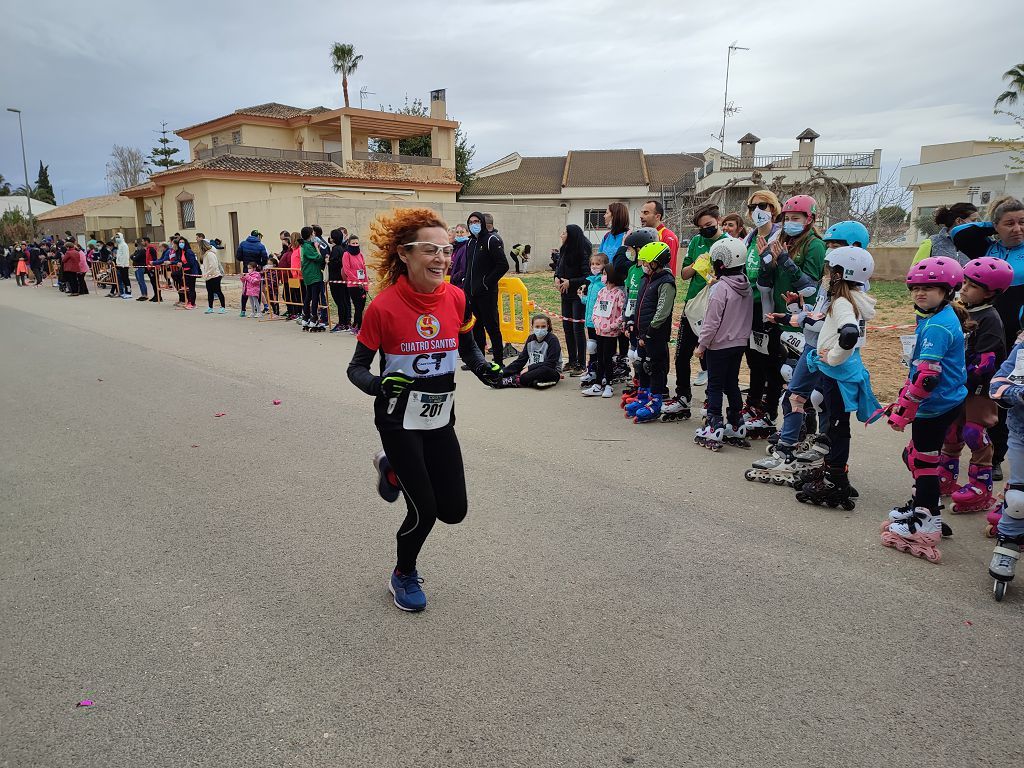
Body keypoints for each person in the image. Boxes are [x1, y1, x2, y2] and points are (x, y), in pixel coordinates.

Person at [346, 207, 501, 613]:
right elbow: (356, 368)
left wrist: (484, 368)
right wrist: (378, 385)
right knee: (426, 510)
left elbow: (466, 343)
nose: (442, 259)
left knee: (454, 511)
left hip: (439, 416)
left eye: (447, 250)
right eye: (431, 250)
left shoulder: (456, 296)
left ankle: (392, 469)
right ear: (404, 253)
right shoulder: (382, 307)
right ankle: (403, 573)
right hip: (397, 420)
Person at [748, 220, 872, 485]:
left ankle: (788, 452)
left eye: (835, 247)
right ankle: (817, 446)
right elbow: (819, 313)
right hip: (816, 347)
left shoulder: (845, 291)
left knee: (797, 396)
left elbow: (831, 323)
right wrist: (796, 312)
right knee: (813, 398)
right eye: (828, 247)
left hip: (820, 350)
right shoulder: (836, 285)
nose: (828, 255)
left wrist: (801, 319)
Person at [881, 257, 969, 563]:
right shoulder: (939, 316)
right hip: (947, 399)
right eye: (916, 288)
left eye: (930, 287)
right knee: (919, 455)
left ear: (947, 290)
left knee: (923, 460)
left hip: (935, 404)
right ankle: (924, 504)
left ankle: (925, 522)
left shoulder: (937, 326)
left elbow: (928, 377)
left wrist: (905, 409)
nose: (921, 293)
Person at [791, 247, 879, 510]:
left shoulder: (842, 302)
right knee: (835, 424)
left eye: (831, 271)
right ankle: (834, 471)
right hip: (838, 375)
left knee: (837, 429)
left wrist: (834, 357)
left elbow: (849, 334)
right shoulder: (851, 297)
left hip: (839, 375)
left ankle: (835, 479)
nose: (827, 276)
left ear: (842, 274)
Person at [936, 257, 1011, 514]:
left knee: (973, 432)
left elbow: (986, 361)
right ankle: (946, 476)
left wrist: (962, 375)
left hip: (979, 387)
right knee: (951, 430)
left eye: (972, 285)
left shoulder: (990, 318)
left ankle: (981, 486)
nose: (964, 288)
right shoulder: (961, 310)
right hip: (958, 384)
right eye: (964, 282)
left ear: (990, 292)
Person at [665, 204, 730, 421]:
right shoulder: (696, 242)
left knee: (710, 357)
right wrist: (697, 264)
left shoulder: (728, 243)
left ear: (718, 220)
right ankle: (683, 396)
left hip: (716, 306)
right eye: (701, 228)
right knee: (682, 353)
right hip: (692, 304)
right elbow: (683, 274)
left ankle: (712, 400)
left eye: (709, 225)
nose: (705, 230)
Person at [693, 238, 753, 449]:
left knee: (716, 385)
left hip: (718, 344)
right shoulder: (745, 285)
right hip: (738, 343)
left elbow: (711, 321)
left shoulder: (720, 289)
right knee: (731, 383)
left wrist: (702, 345)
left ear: (721, 263)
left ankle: (714, 424)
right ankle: (736, 423)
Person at [985, 196, 1024, 481]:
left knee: (1011, 393)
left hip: (1018, 335)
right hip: (989, 331)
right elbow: (962, 232)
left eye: (1023, 222)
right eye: (1009, 223)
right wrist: (990, 223)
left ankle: (998, 456)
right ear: (996, 226)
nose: (1017, 228)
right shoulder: (986, 247)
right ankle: (988, 451)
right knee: (991, 391)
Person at [741, 190, 783, 435]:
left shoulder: (781, 236)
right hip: (751, 307)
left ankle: (768, 412)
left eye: (764, 205)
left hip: (771, 309)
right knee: (754, 358)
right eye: (754, 206)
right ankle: (753, 405)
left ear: (773, 209)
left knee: (771, 362)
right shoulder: (749, 238)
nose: (758, 210)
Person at [987, 337, 1024, 597]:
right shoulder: (1022, 347)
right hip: (1022, 432)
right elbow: (998, 383)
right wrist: (1017, 392)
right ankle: (1007, 547)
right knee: (1018, 498)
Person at [627, 242, 676, 423]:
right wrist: (632, 321)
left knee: (654, 367)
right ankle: (643, 396)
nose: (644, 266)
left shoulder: (666, 282)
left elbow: (662, 311)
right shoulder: (645, 279)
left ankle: (655, 402)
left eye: (648, 263)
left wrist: (650, 332)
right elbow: (638, 303)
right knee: (641, 365)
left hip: (655, 334)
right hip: (642, 333)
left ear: (658, 262)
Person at [464, 212, 509, 365]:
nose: (473, 224)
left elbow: (503, 265)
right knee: (476, 328)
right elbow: (469, 267)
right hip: (471, 294)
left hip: (487, 293)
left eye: (476, 221)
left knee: (492, 328)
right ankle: (480, 360)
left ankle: (498, 361)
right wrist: (466, 285)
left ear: (482, 223)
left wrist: (486, 283)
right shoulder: (470, 243)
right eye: (470, 222)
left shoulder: (491, 240)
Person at [582, 262, 626, 398]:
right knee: (599, 358)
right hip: (599, 330)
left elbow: (622, 314)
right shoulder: (602, 291)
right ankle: (597, 384)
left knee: (608, 358)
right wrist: (596, 321)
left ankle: (609, 384)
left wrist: (613, 325)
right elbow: (595, 308)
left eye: (605, 274)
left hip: (611, 333)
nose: (603, 276)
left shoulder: (619, 293)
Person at [554, 223, 591, 375]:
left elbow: (587, 276)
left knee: (577, 328)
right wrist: (556, 277)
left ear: (572, 235)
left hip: (577, 294)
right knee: (567, 327)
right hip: (565, 294)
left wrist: (571, 282)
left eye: (565, 233)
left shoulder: (582, 251)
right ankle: (572, 360)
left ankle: (581, 364)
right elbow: (558, 267)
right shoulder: (564, 249)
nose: (562, 235)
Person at [494, 314, 562, 389]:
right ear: (532, 327)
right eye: (537, 327)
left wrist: (529, 368)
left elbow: (551, 364)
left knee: (533, 373)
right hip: (533, 369)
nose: (540, 329)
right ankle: (534, 382)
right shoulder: (530, 339)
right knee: (516, 371)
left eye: (543, 327)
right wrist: (502, 372)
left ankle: (514, 380)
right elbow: (521, 360)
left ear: (548, 327)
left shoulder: (553, 340)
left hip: (550, 370)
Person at [911, 203, 979, 265]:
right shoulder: (931, 243)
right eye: (973, 220)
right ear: (959, 221)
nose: (978, 224)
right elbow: (915, 272)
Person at [579, 251, 609, 386]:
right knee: (591, 347)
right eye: (592, 264)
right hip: (590, 322)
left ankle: (602, 372)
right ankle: (592, 370)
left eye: (598, 264)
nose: (594, 266)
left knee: (599, 347)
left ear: (605, 266)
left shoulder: (603, 284)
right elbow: (592, 302)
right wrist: (582, 298)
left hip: (599, 323)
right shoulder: (591, 283)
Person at [639, 199, 680, 277]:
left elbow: (668, 266)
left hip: (661, 283)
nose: (641, 216)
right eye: (641, 213)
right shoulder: (643, 235)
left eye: (646, 213)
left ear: (657, 216)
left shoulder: (668, 237)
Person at [299, 226, 326, 331]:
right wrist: (317, 248)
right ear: (310, 235)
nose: (314, 236)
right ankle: (313, 319)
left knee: (309, 296)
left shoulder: (304, 245)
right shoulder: (308, 247)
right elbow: (319, 258)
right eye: (313, 234)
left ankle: (306, 318)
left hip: (309, 275)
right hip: (313, 275)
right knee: (314, 297)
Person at [342, 234, 368, 335]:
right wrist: (357, 282)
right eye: (353, 243)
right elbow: (347, 270)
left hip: (362, 284)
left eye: (357, 243)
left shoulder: (360, 254)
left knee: (361, 307)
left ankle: (356, 325)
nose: (355, 245)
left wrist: (365, 285)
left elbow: (364, 270)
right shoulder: (346, 255)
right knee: (358, 306)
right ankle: (358, 327)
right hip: (353, 286)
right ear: (349, 244)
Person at [328, 228, 351, 332]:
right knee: (344, 301)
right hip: (342, 279)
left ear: (333, 238)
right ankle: (346, 322)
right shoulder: (342, 248)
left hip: (336, 279)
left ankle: (342, 322)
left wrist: (328, 261)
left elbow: (334, 264)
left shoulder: (336, 249)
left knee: (340, 301)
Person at [173, 237, 200, 308]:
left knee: (191, 288)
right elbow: (181, 260)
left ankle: (193, 303)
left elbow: (191, 263)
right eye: (180, 243)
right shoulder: (182, 251)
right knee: (187, 288)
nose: (181, 244)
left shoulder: (189, 251)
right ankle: (189, 301)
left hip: (191, 271)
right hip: (185, 271)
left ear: (186, 243)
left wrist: (182, 265)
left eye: (182, 242)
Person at [200, 240, 226, 314]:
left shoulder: (210, 254)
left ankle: (223, 307)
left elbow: (213, 266)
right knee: (210, 292)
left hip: (215, 275)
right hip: (209, 276)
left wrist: (207, 273)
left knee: (218, 291)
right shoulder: (205, 255)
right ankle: (210, 307)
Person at [449, 224, 470, 289]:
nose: (459, 234)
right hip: (456, 284)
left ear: (468, 233)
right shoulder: (458, 247)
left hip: (460, 284)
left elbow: (464, 268)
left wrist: (454, 277)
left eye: (462, 232)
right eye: (457, 232)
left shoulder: (466, 247)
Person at [113, 232, 132, 299]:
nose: (117, 238)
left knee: (126, 279)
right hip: (120, 265)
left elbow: (125, 256)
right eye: (116, 237)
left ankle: (129, 292)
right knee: (123, 279)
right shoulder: (119, 245)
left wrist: (123, 264)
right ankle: (125, 292)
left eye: (118, 237)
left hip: (124, 265)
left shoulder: (124, 245)